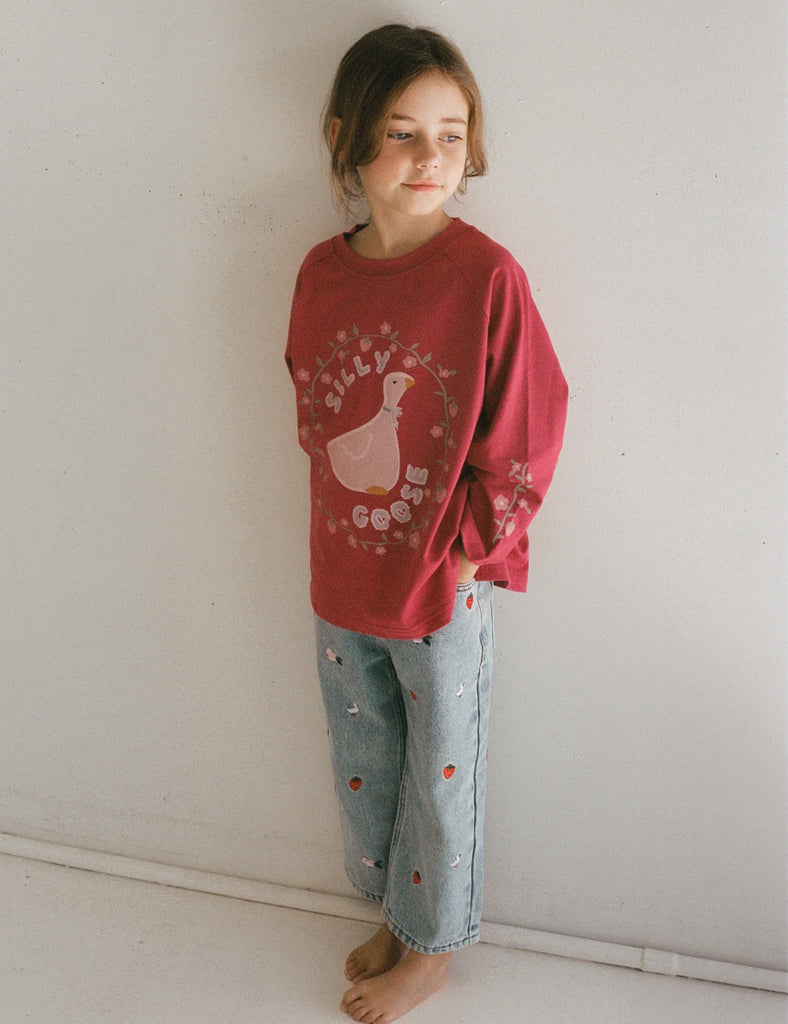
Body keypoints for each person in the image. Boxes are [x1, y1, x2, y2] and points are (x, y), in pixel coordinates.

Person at [285, 23, 568, 1023]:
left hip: (441, 582)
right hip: (343, 572)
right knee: (365, 758)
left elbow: (530, 422)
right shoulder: (322, 273)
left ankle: (431, 947)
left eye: (449, 134)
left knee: (441, 764)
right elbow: (310, 398)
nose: (428, 158)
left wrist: (468, 548)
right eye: (401, 133)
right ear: (345, 140)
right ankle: (395, 915)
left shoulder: (484, 277)